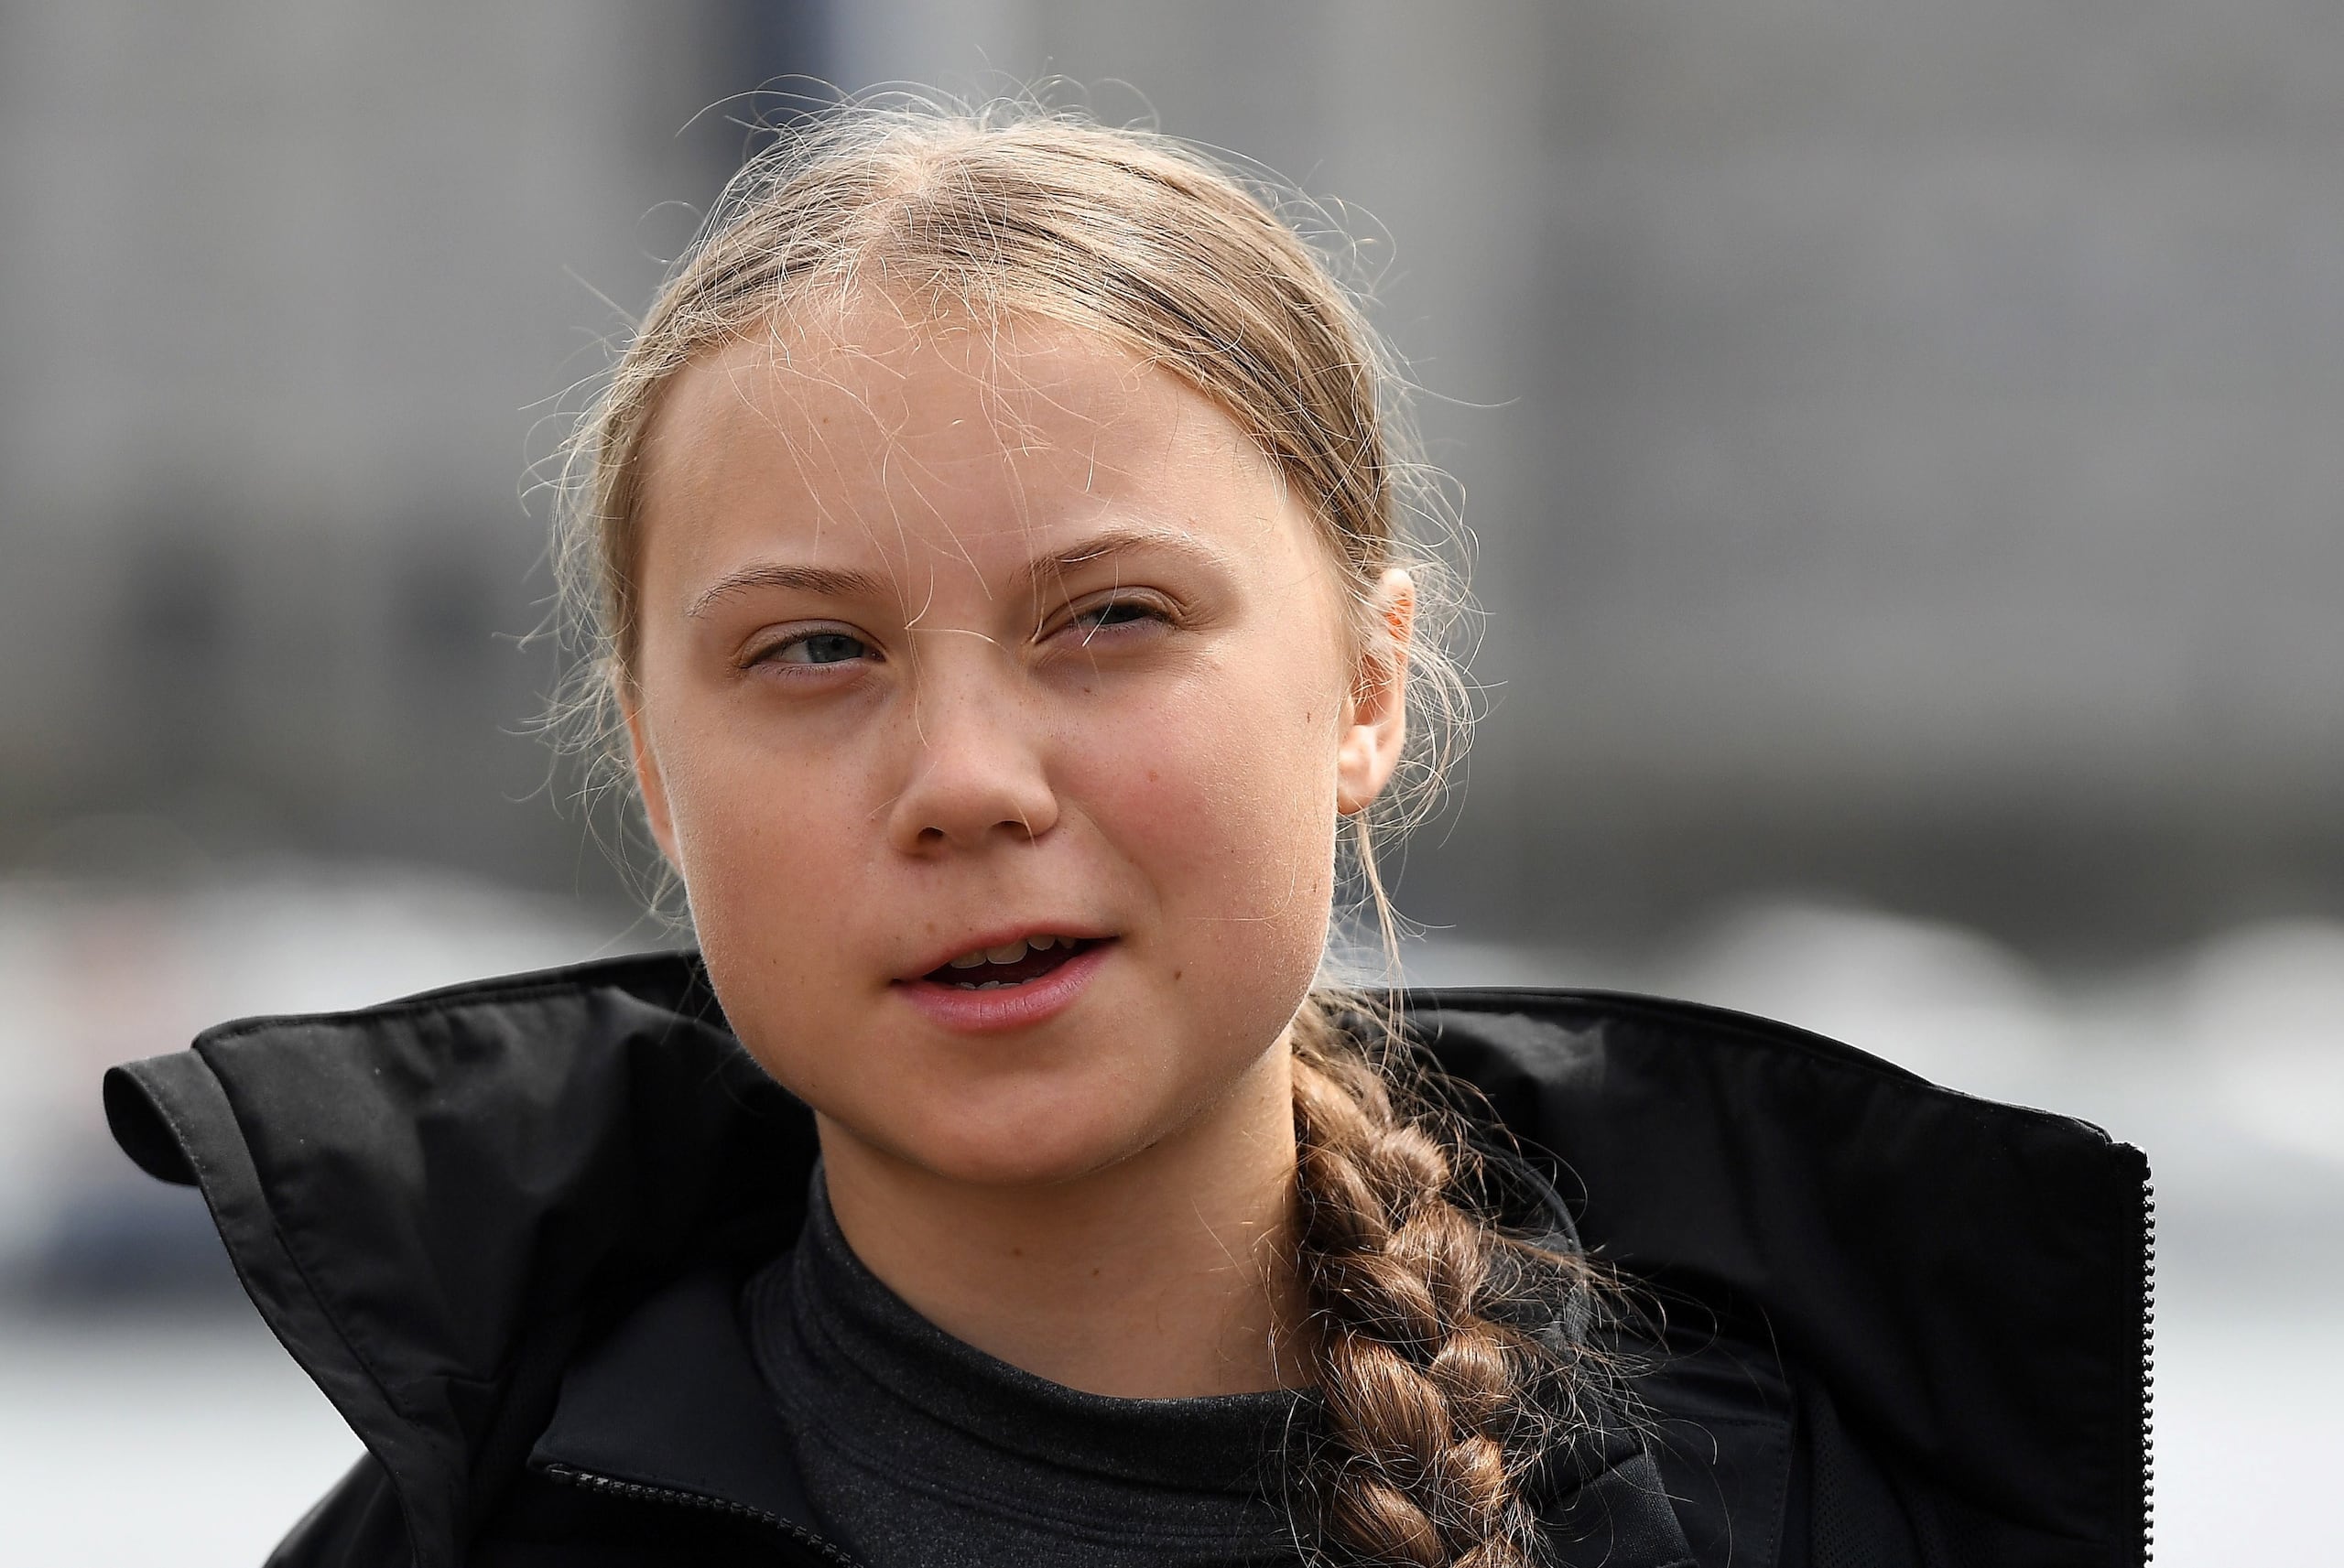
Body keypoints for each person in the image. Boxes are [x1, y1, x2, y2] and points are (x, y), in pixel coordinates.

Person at [103, 104, 2152, 1568]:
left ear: (1359, 689)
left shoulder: (1796, 1511)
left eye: (1109, 618)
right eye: (812, 649)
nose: (968, 775)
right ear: (652, 767)